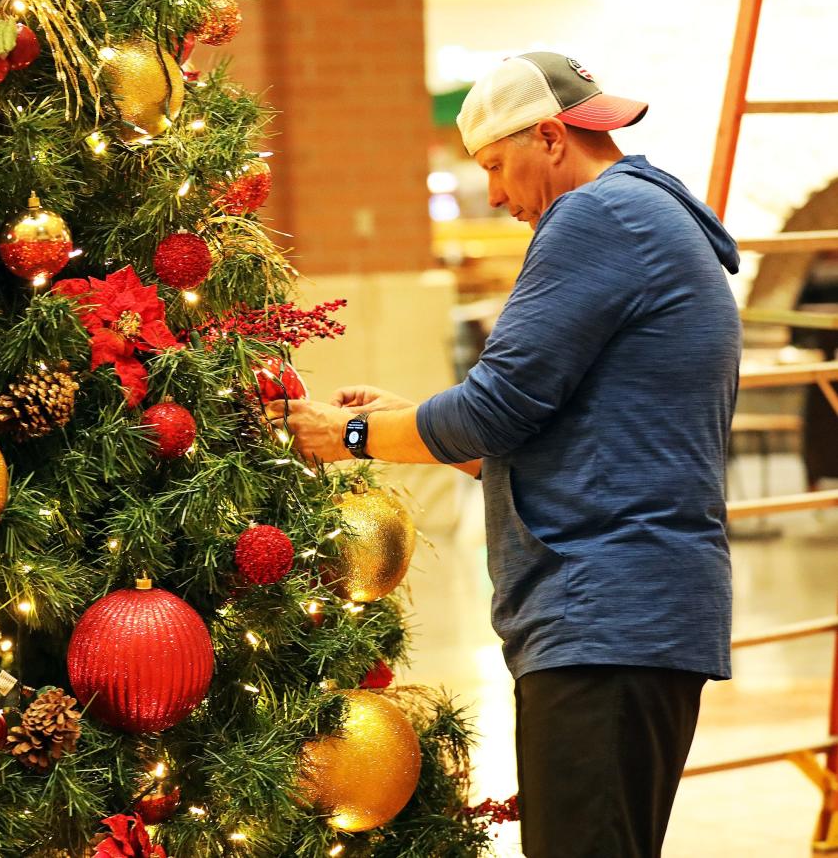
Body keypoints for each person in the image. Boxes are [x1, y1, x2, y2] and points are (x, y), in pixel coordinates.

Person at [267, 52, 741, 858]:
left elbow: (494, 409)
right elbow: (569, 442)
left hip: (604, 615)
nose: (491, 193)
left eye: (493, 165)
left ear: (552, 137)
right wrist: (410, 422)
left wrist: (345, 436)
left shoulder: (600, 218)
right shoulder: (647, 217)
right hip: (629, 614)